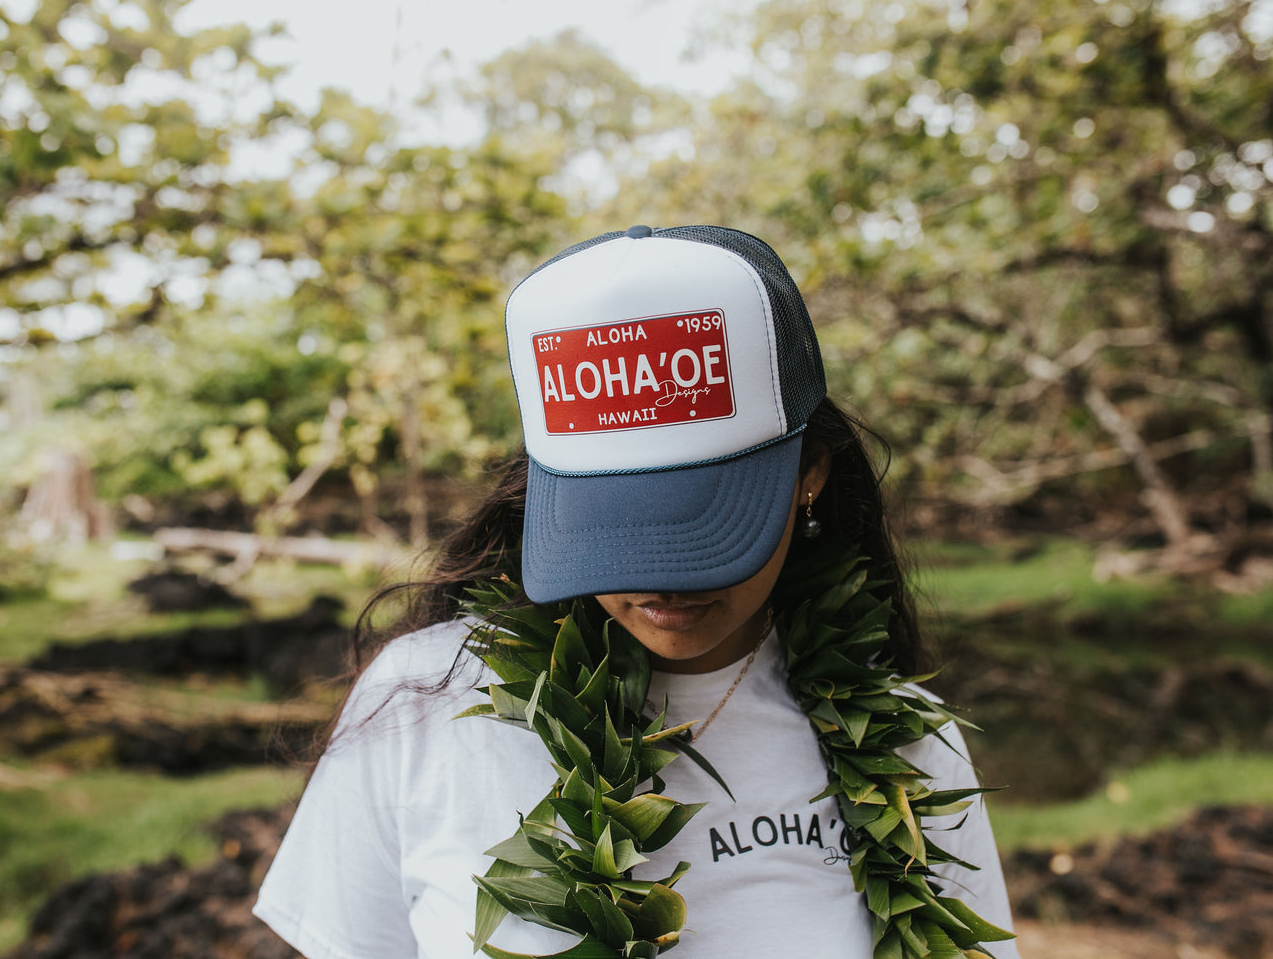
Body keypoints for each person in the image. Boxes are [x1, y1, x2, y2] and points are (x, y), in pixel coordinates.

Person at [254, 225, 1020, 959]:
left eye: (701, 521)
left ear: (807, 475)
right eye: (617, 523)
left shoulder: (906, 744)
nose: (658, 576)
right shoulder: (426, 699)